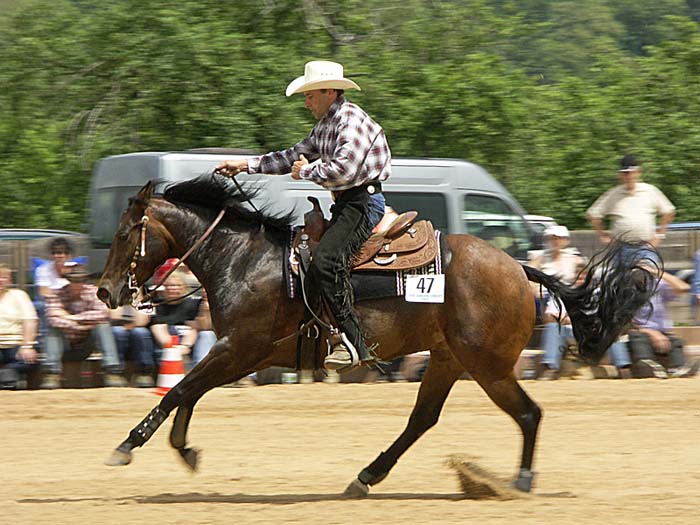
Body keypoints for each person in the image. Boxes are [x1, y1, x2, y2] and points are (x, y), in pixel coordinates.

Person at [215, 60, 390, 370]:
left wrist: (306, 171)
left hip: (363, 202)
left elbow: (344, 171)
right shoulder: (325, 124)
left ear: (329, 91)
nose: (306, 102)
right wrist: (245, 165)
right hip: (348, 202)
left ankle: (352, 341)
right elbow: (290, 157)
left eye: (310, 95)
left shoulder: (350, 121)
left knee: (326, 261)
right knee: (308, 256)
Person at [42, 263, 127, 388]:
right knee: (53, 330)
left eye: (80, 280)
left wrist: (71, 317)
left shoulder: (93, 292)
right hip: (65, 344)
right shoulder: (57, 294)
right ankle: (51, 375)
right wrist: (83, 324)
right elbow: (52, 318)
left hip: (87, 343)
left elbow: (103, 313)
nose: (77, 284)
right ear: (68, 281)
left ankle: (112, 372)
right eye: (73, 280)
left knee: (103, 326)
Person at [586, 154, 675, 259]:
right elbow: (593, 214)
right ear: (620, 175)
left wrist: (660, 235)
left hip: (645, 248)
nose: (628, 176)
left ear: (638, 172)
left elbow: (669, 211)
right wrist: (602, 235)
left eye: (631, 172)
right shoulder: (614, 193)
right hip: (620, 249)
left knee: (648, 274)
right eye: (624, 173)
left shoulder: (650, 191)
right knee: (619, 275)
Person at [539, 284, 632, 380]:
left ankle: (624, 369)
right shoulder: (561, 293)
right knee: (553, 327)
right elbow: (549, 317)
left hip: (593, 332)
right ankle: (549, 368)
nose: (581, 279)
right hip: (569, 332)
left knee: (612, 327)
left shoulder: (599, 294)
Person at [628, 271, 700, 378]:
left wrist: (657, 271)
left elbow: (683, 287)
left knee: (676, 342)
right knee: (638, 338)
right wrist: (653, 333)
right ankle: (648, 367)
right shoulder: (626, 294)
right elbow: (628, 325)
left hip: (663, 334)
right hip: (641, 333)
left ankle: (678, 368)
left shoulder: (657, 287)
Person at [0, 264, 39, 389]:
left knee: (29, 361)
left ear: (10, 280)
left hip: (15, 344)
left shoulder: (19, 295)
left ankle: (6, 373)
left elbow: (30, 321)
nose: (1, 280)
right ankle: (7, 378)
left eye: (4, 277)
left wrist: (27, 346)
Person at [111, 305, 155, 387]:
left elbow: (142, 321)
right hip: (118, 330)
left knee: (141, 332)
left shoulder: (144, 299)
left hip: (136, 332)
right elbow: (114, 317)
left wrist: (135, 302)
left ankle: (143, 373)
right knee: (118, 331)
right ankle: (115, 373)